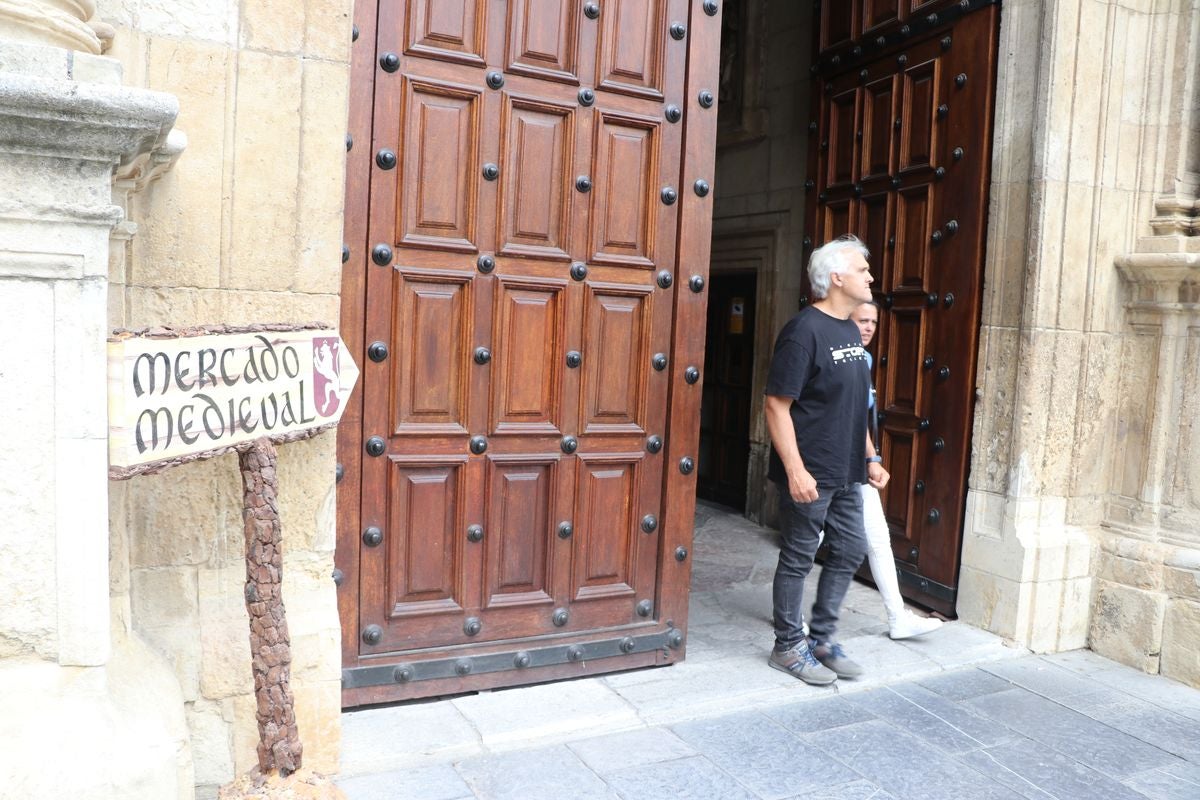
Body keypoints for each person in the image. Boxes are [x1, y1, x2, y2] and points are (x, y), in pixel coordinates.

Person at [764, 234, 884, 685]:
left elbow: (855, 404)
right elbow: (776, 406)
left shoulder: (850, 329)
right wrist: (795, 470)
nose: (870, 276)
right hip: (811, 470)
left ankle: (822, 639)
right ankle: (788, 646)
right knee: (798, 556)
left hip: (848, 468)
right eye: (861, 269)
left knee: (852, 547)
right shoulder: (803, 332)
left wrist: (871, 456)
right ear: (836, 277)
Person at [852, 303, 943, 640]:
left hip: (857, 467)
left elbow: (859, 419)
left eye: (874, 322)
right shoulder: (838, 355)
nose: (869, 327)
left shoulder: (864, 360)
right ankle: (786, 617)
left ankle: (897, 617)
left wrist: (871, 459)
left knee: (878, 538)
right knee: (807, 543)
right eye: (862, 320)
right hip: (830, 468)